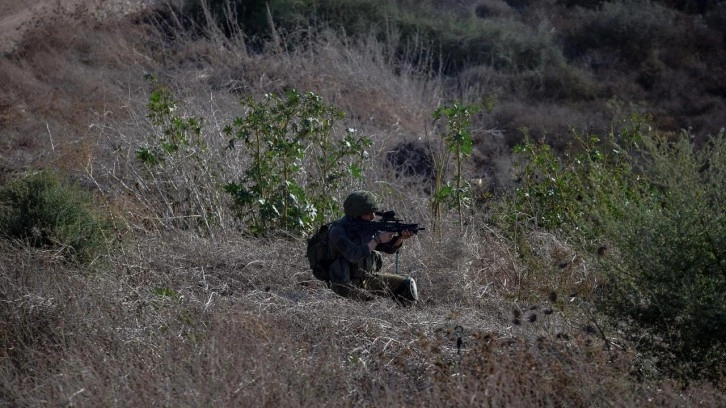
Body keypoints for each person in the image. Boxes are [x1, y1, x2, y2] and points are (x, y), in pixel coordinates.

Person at [328, 190, 419, 305]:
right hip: (345, 286)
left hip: (367, 279)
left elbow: (388, 248)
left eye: (374, 212)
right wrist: (376, 239)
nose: (373, 216)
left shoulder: (366, 226)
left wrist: (400, 237)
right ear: (356, 213)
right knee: (373, 304)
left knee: (407, 285)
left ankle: (407, 319)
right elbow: (354, 256)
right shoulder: (338, 230)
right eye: (368, 213)